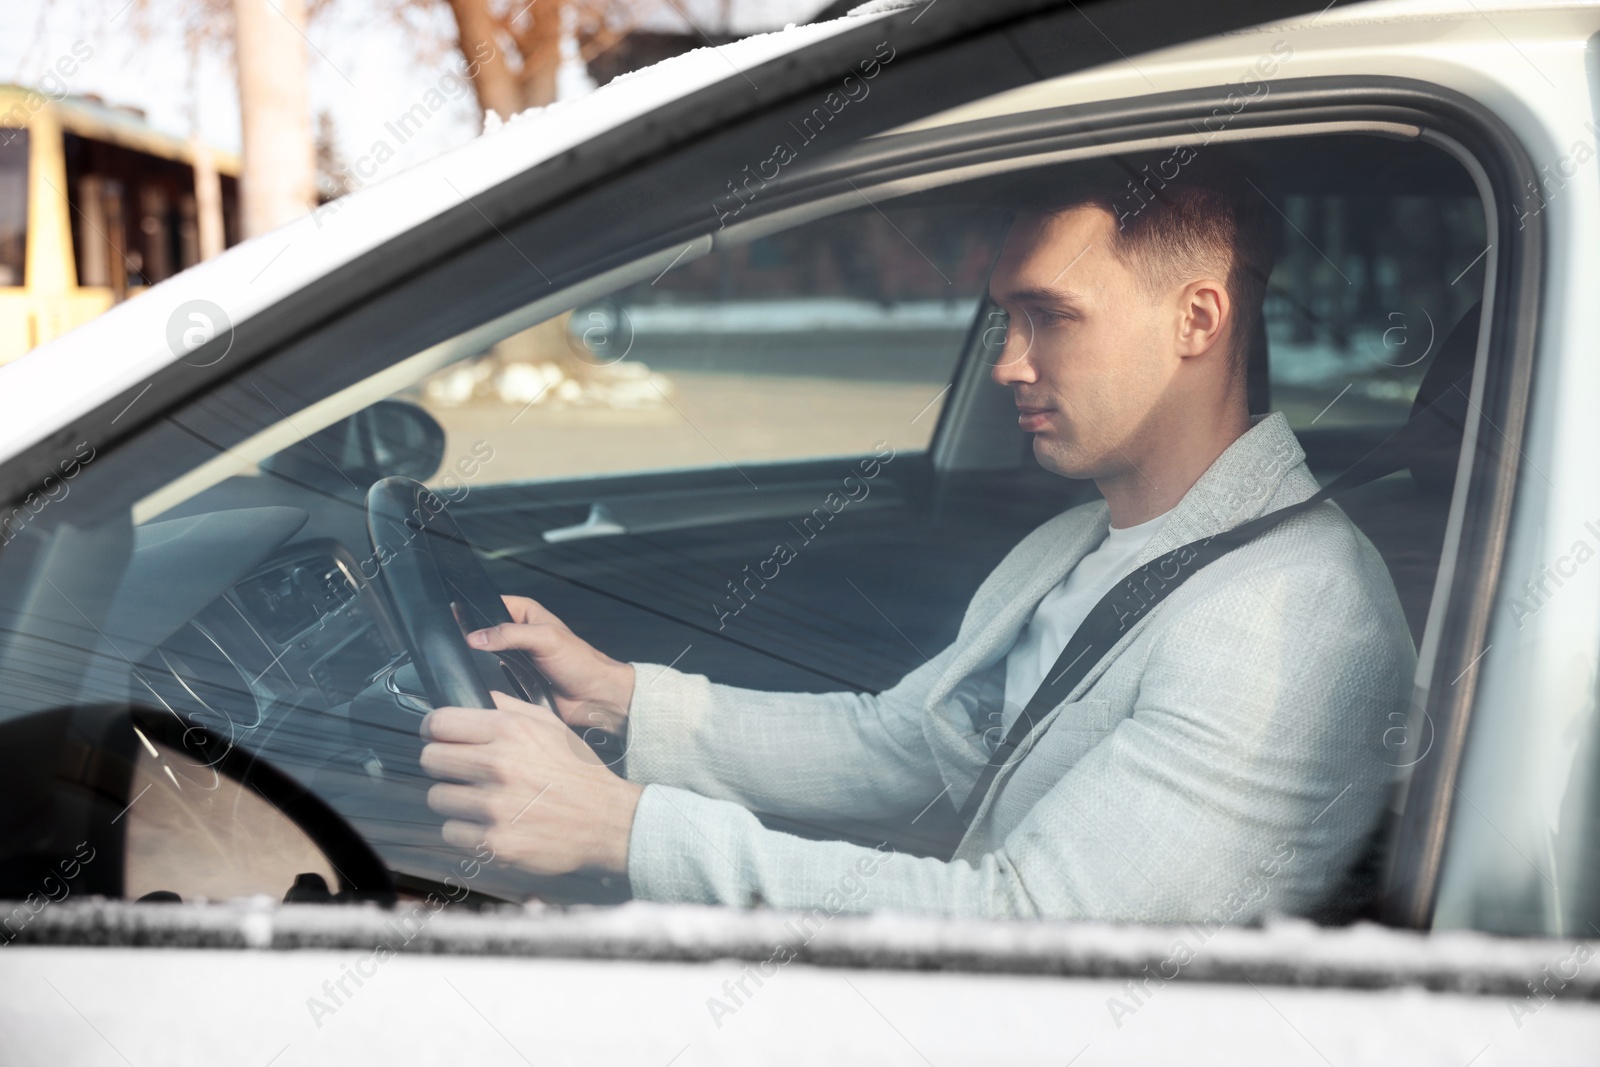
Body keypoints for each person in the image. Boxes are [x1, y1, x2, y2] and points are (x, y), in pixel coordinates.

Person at [417, 163, 1416, 923]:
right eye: (1005, 318)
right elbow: (902, 740)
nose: (1008, 362)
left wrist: (622, 828)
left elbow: (1034, 932)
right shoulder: (1080, 537)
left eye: (1049, 317)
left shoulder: (1292, 611)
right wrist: (620, 697)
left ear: (1196, 317)